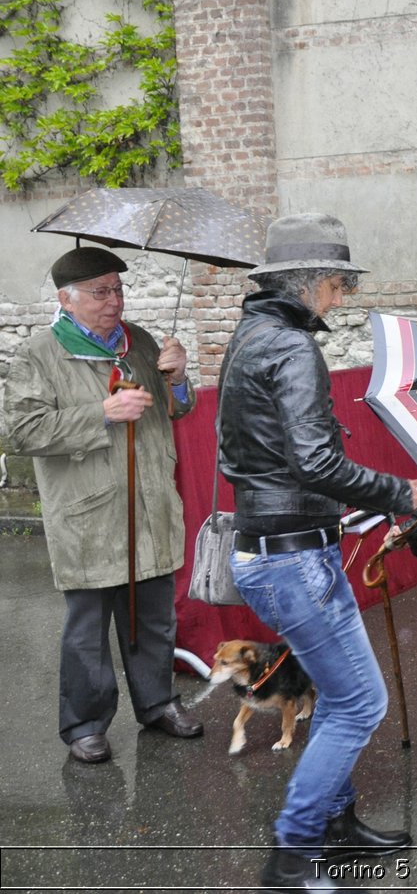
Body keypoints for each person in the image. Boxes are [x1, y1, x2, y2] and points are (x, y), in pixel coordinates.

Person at [218, 213, 417, 892]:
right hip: (290, 562)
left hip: (279, 553)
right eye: (338, 286)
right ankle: (293, 853)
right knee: (359, 702)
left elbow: (248, 456)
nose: (340, 299)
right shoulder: (289, 347)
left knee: (337, 695)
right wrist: (400, 491)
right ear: (307, 283)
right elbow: (314, 461)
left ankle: (336, 825)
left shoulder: (250, 336)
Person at [5, 247, 203, 766]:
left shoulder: (140, 341)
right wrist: (102, 413)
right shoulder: (40, 354)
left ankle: (158, 702)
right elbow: (21, 431)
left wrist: (177, 379)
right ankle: (86, 725)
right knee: (88, 630)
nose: (114, 300)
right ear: (65, 300)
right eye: (100, 292)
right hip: (89, 513)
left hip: (152, 503)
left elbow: (174, 409)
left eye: (118, 289)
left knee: (154, 618)